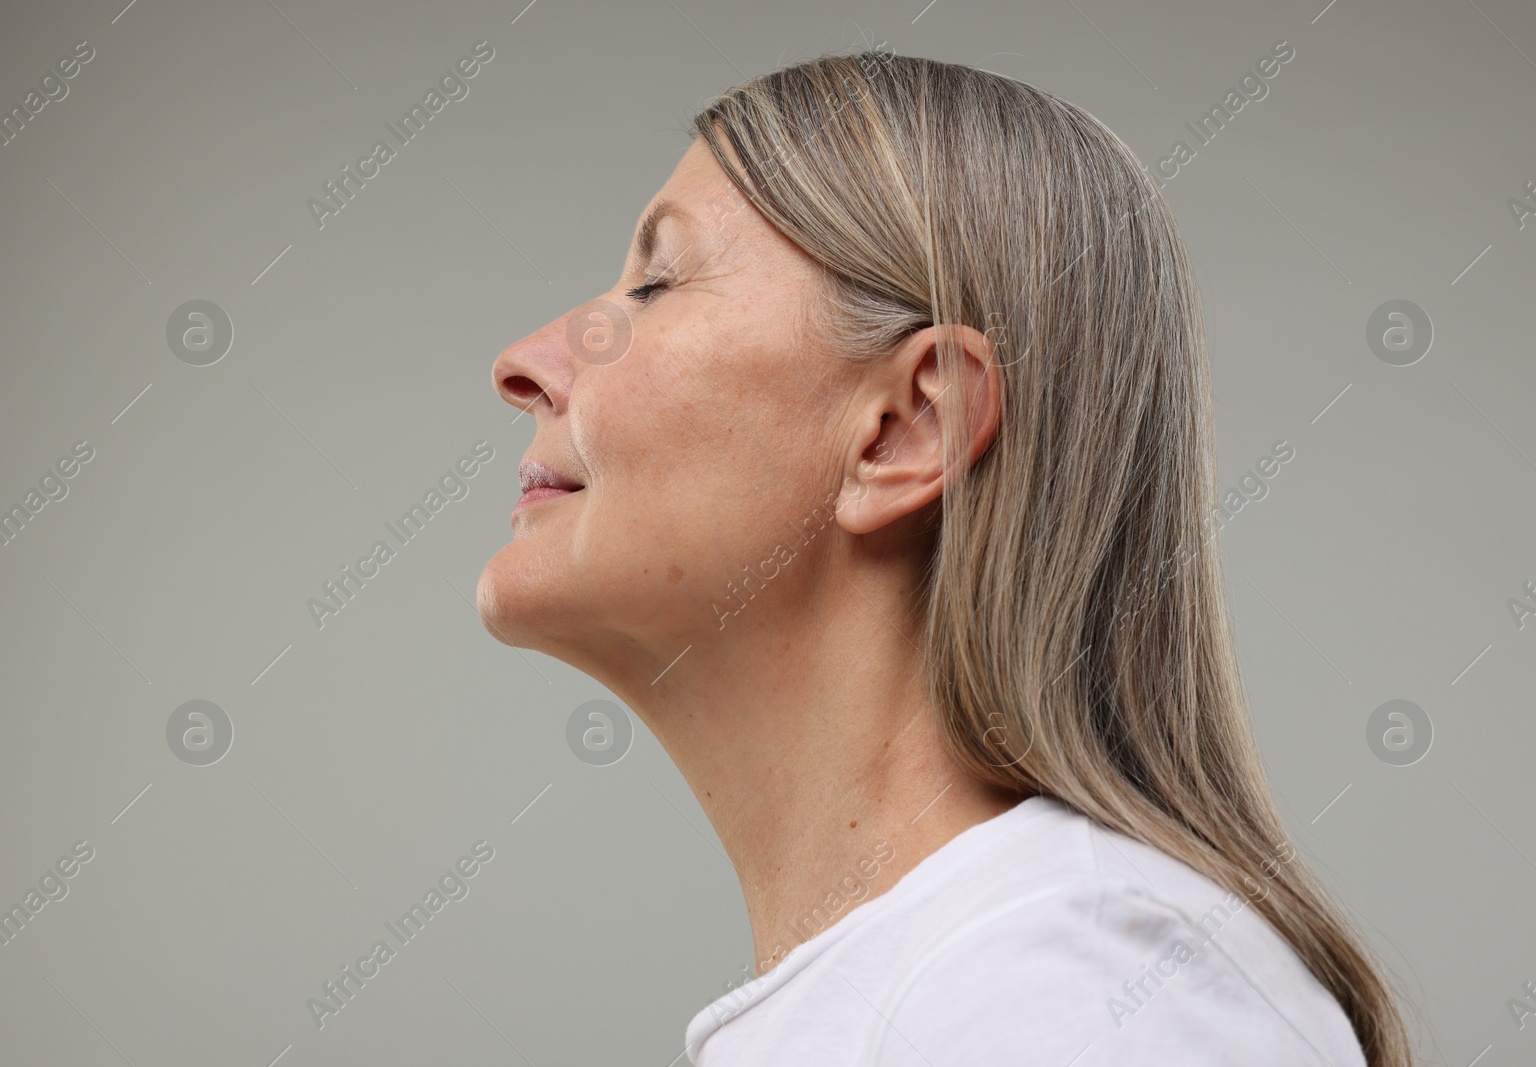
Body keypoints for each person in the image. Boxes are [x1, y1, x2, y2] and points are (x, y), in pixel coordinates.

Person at [478, 48, 1414, 1067]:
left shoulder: (1069, 989)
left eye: (655, 285)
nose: (523, 363)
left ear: (906, 428)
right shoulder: (985, 981)